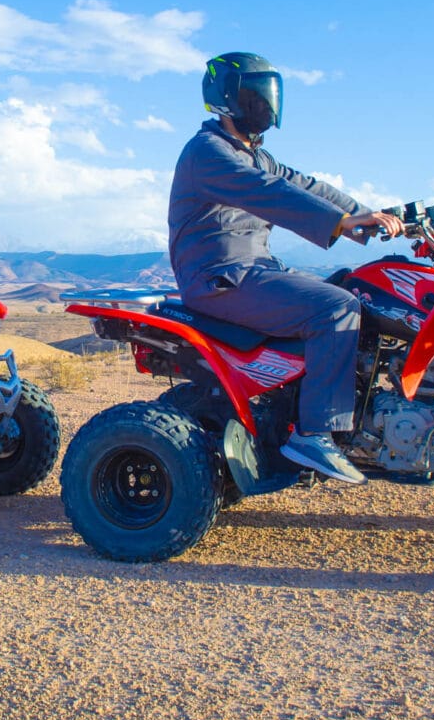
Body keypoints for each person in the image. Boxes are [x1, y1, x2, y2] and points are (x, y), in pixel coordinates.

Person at [168, 53, 404, 485]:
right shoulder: (208, 152)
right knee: (335, 309)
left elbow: (305, 186)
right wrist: (339, 222)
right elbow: (267, 191)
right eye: (255, 96)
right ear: (228, 98)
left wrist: (367, 216)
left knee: (357, 289)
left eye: (267, 95)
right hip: (220, 277)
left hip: (251, 272)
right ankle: (314, 434)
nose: (264, 105)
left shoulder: (256, 155)